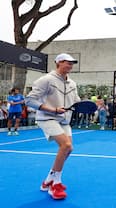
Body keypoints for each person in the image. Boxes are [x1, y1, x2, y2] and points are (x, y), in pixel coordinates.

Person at [25, 53, 80, 200]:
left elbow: (76, 101)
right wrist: (52, 109)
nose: (70, 65)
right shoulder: (46, 80)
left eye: (72, 63)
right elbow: (29, 100)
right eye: (67, 62)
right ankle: (55, 184)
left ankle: (49, 179)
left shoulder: (72, 83)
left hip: (64, 120)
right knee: (66, 145)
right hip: (48, 117)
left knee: (69, 148)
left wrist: (84, 105)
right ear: (59, 63)